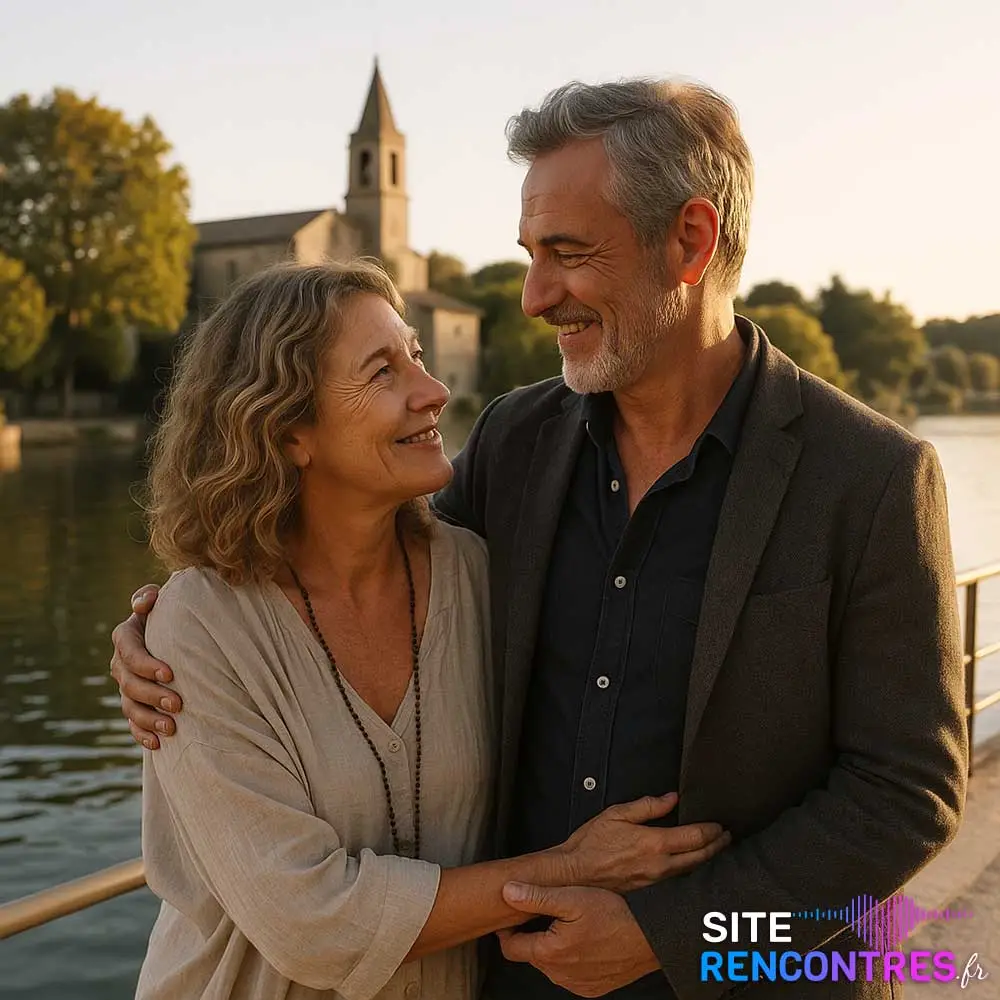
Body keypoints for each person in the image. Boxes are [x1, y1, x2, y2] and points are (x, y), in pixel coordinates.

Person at [113, 78, 968, 1000]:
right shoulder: (515, 444)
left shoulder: (874, 477)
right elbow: (339, 561)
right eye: (529, 254)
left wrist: (675, 937)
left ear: (690, 240)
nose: (533, 295)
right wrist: (161, 629)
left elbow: (904, 796)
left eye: (567, 253)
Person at [125, 259, 730, 1000]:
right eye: (383, 372)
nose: (434, 390)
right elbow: (311, 922)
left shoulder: (480, 576)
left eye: (415, 353)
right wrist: (569, 868)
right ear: (287, 433)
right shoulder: (198, 628)